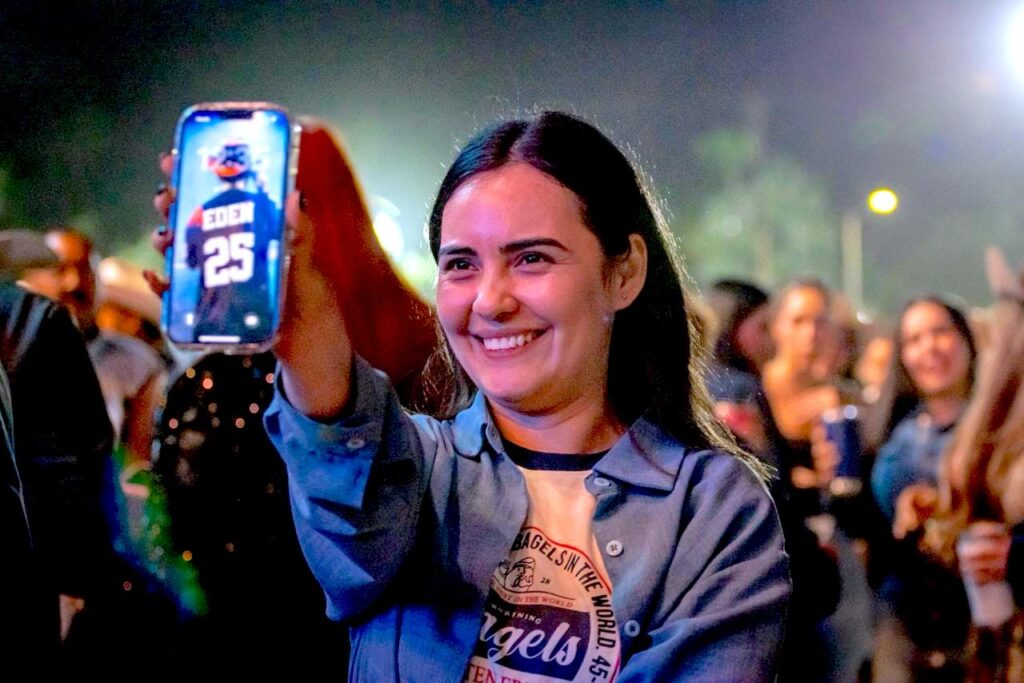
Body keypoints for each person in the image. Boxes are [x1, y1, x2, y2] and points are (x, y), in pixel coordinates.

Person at [153, 111, 789, 680]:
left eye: (532, 258)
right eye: (461, 264)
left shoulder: (713, 511)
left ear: (624, 272)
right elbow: (344, 484)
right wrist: (303, 325)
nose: (490, 300)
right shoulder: (416, 471)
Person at [865, 297, 977, 682]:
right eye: (914, 339)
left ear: (967, 340)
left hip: (977, 616)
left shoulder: (999, 429)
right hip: (902, 619)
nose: (929, 347)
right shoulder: (891, 431)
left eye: (940, 332)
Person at [184, 139, 280, 341]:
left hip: (210, 319)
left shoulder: (200, 213)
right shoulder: (261, 205)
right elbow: (279, 232)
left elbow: (192, 262)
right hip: (254, 315)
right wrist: (263, 188)